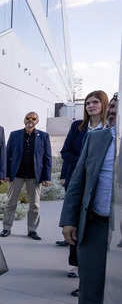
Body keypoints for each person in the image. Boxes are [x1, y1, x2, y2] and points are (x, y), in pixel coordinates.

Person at [51, 91, 116, 304]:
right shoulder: (97, 138)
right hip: (96, 223)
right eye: (110, 108)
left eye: (116, 109)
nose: (112, 112)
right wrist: (69, 220)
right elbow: (78, 181)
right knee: (89, 283)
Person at [58, 90, 107, 286]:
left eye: (95, 102)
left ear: (103, 105)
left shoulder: (109, 129)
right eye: (87, 103)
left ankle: (90, 271)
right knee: (75, 222)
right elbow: (65, 151)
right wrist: (84, 163)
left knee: (92, 225)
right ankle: (75, 264)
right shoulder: (78, 127)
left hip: (99, 186)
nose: (91, 106)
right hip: (78, 182)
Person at [0, 112, 52, 240]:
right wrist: (6, 174)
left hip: (35, 175)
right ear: (24, 120)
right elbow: (7, 154)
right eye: (28, 118)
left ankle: (32, 230)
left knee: (35, 205)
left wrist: (47, 177)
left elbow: (47, 157)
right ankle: (6, 228)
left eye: (33, 119)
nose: (30, 120)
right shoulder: (15, 134)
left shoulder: (43, 136)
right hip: (16, 174)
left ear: (37, 121)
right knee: (11, 203)